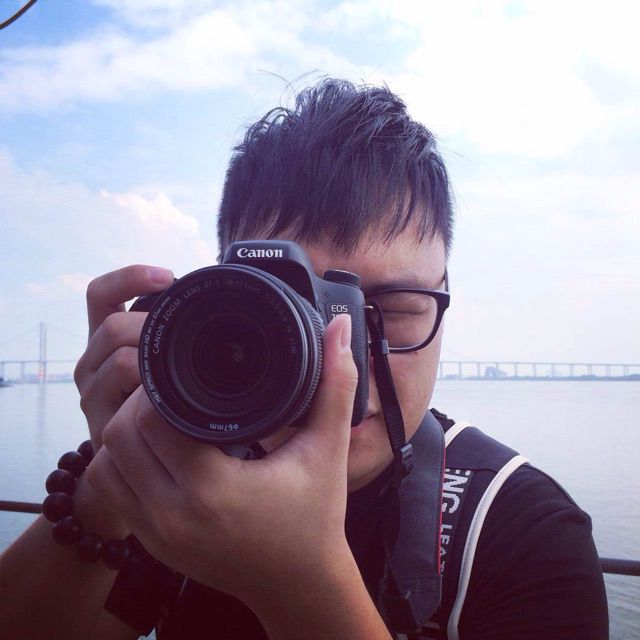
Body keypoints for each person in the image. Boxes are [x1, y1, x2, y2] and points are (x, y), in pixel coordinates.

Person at [0, 78, 607, 639]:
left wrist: (298, 584)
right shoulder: (184, 481)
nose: (344, 367)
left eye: (393, 310)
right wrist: (111, 483)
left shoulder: (521, 532)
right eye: (295, 310)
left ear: (444, 305)